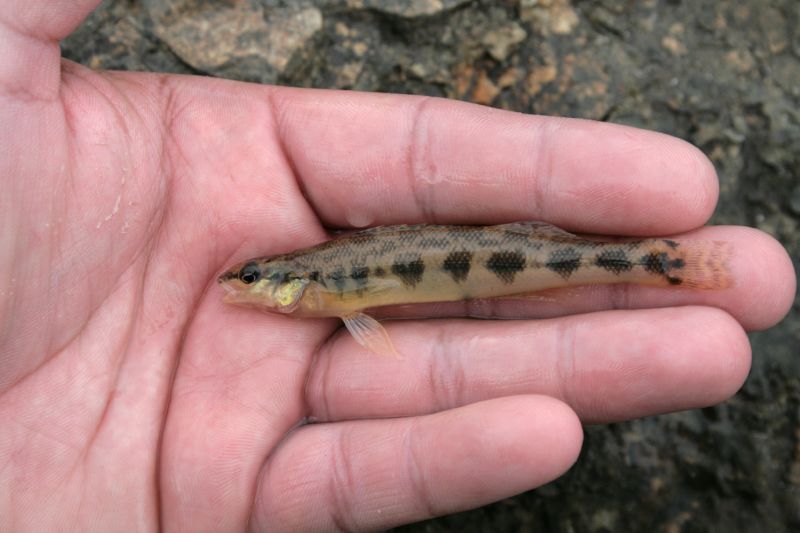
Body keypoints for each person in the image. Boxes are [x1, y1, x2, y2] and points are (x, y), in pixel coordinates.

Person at [0, 1, 795, 531]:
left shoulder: (318, 287)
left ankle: (662, 263)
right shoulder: (319, 288)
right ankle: (664, 265)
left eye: (250, 279)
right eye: (250, 279)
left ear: (290, 282)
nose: (241, 287)